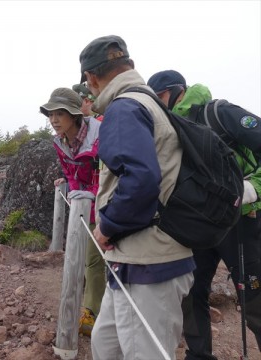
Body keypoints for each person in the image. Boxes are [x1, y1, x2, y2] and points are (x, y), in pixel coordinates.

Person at [80, 35, 195, 359]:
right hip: (138, 259)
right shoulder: (149, 103)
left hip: (148, 264)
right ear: (129, 65)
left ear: (91, 77)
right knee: (106, 345)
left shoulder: (125, 108)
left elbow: (142, 181)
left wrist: (107, 227)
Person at [148, 69, 261, 360]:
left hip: (242, 219)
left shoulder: (220, 113)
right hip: (200, 224)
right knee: (191, 290)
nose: (159, 104)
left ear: (177, 91)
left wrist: (254, 187)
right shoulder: (168, 128)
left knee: (254, 298)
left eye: (160, 97)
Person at [39, 87, 106, 337]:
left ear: (74, 114)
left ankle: (93, 310)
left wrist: (93, 197)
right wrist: (77, 193)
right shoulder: (60, 142)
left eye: (60, 113)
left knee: (97, 259)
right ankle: (90, 305)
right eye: (50, 114)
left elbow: (108, 171)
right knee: (88, 256)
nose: (54, 120)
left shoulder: (100, 133)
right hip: (83, 204)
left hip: (107, 203)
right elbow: (69, 172)